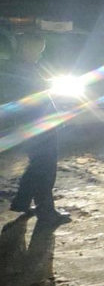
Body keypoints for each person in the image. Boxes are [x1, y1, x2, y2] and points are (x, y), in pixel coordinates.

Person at [3, 32, 70, 224]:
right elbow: (31, 99)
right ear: (26, 49)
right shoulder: (20, 70)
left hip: (35, 126)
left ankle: (21, 202)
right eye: (38, 50)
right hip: (37, 127)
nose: (40, 55)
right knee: (45, 169)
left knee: (37, 166)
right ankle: (46, 213)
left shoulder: (23, 67)